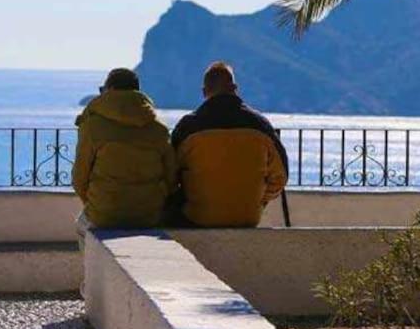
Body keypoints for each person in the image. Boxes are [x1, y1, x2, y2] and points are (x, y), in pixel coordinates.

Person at [169, 62, 288, 227]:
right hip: (248, 217)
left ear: (204, 92)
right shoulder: (260, 125)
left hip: (199, 217)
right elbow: (281, 177)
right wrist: (258, 200)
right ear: (235, 88)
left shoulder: (188, 126)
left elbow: (169, 174)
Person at [72, 68, 176, 250]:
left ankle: (91, 278)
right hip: (148, 214)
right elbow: (171, 176)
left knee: (81, 227)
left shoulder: (92, 126)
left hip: (105, 213)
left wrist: (98, 204)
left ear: (109, 90)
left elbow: (79, 177)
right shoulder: (159, 129)